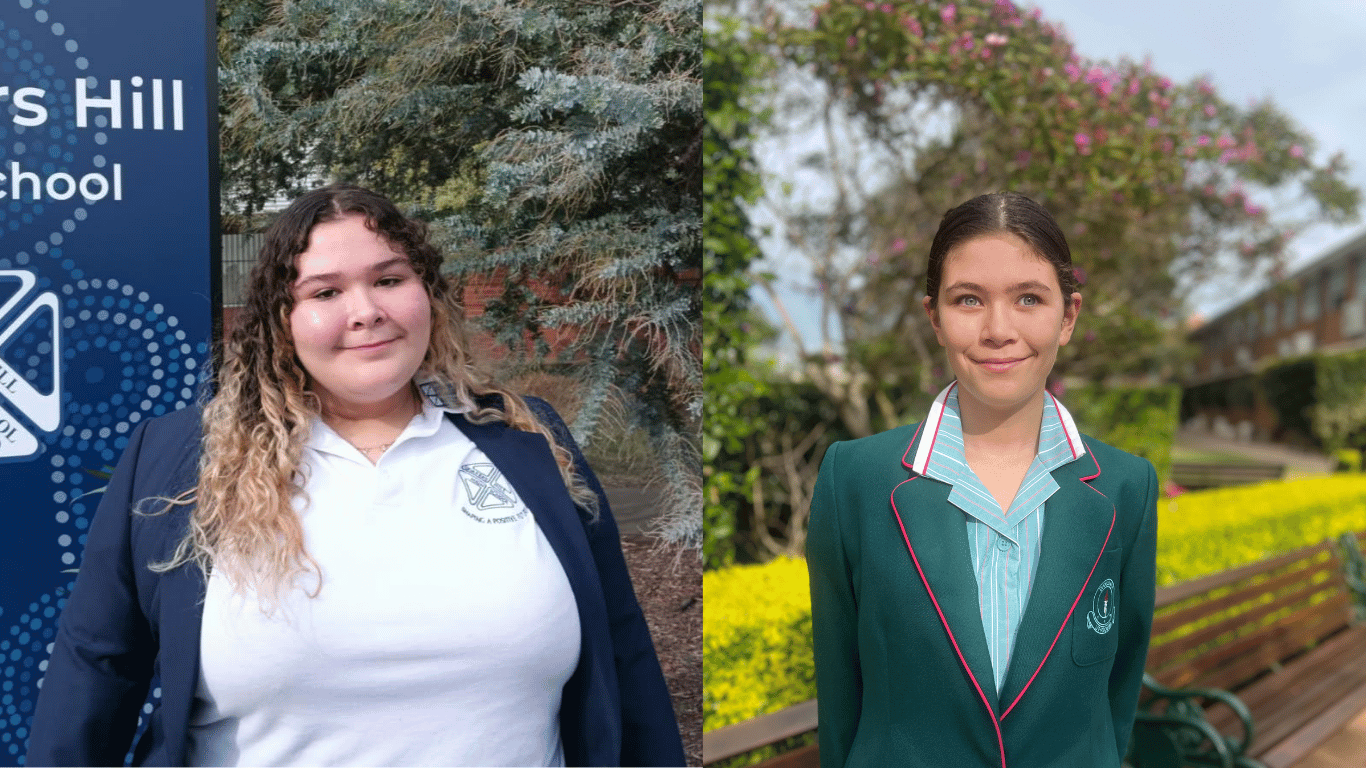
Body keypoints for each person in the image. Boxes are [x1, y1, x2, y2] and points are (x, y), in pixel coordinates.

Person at [26, 183, 685, 767]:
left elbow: (624, 658)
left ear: (426, 291)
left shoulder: (527, 440)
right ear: (283, 321)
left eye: (389, 279)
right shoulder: (180, 461)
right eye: (326, 291)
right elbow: (96, 669)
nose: (366, 310)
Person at [807, 191, 1157, 768]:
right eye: (968, 299)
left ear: (1067, 317)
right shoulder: (856, 478)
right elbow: (840, 684)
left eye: (1028, 299)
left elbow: (1120, 680)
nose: (999, 329)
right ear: (935, 319)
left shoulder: (1126, 486)